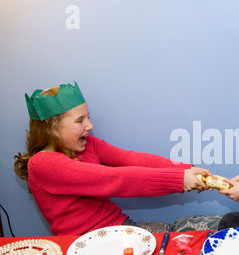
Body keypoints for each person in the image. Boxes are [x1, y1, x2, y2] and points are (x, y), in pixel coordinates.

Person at [14, 81, 210, 235]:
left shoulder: (89, 144)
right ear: (52, 128)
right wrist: (178, 180)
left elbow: (132, 159)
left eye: (88, 117)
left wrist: (185, 169)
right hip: (84, 244)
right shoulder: (43, 164)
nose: (89, 125)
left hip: (118, 228)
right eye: (80, 120)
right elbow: (113, 178)